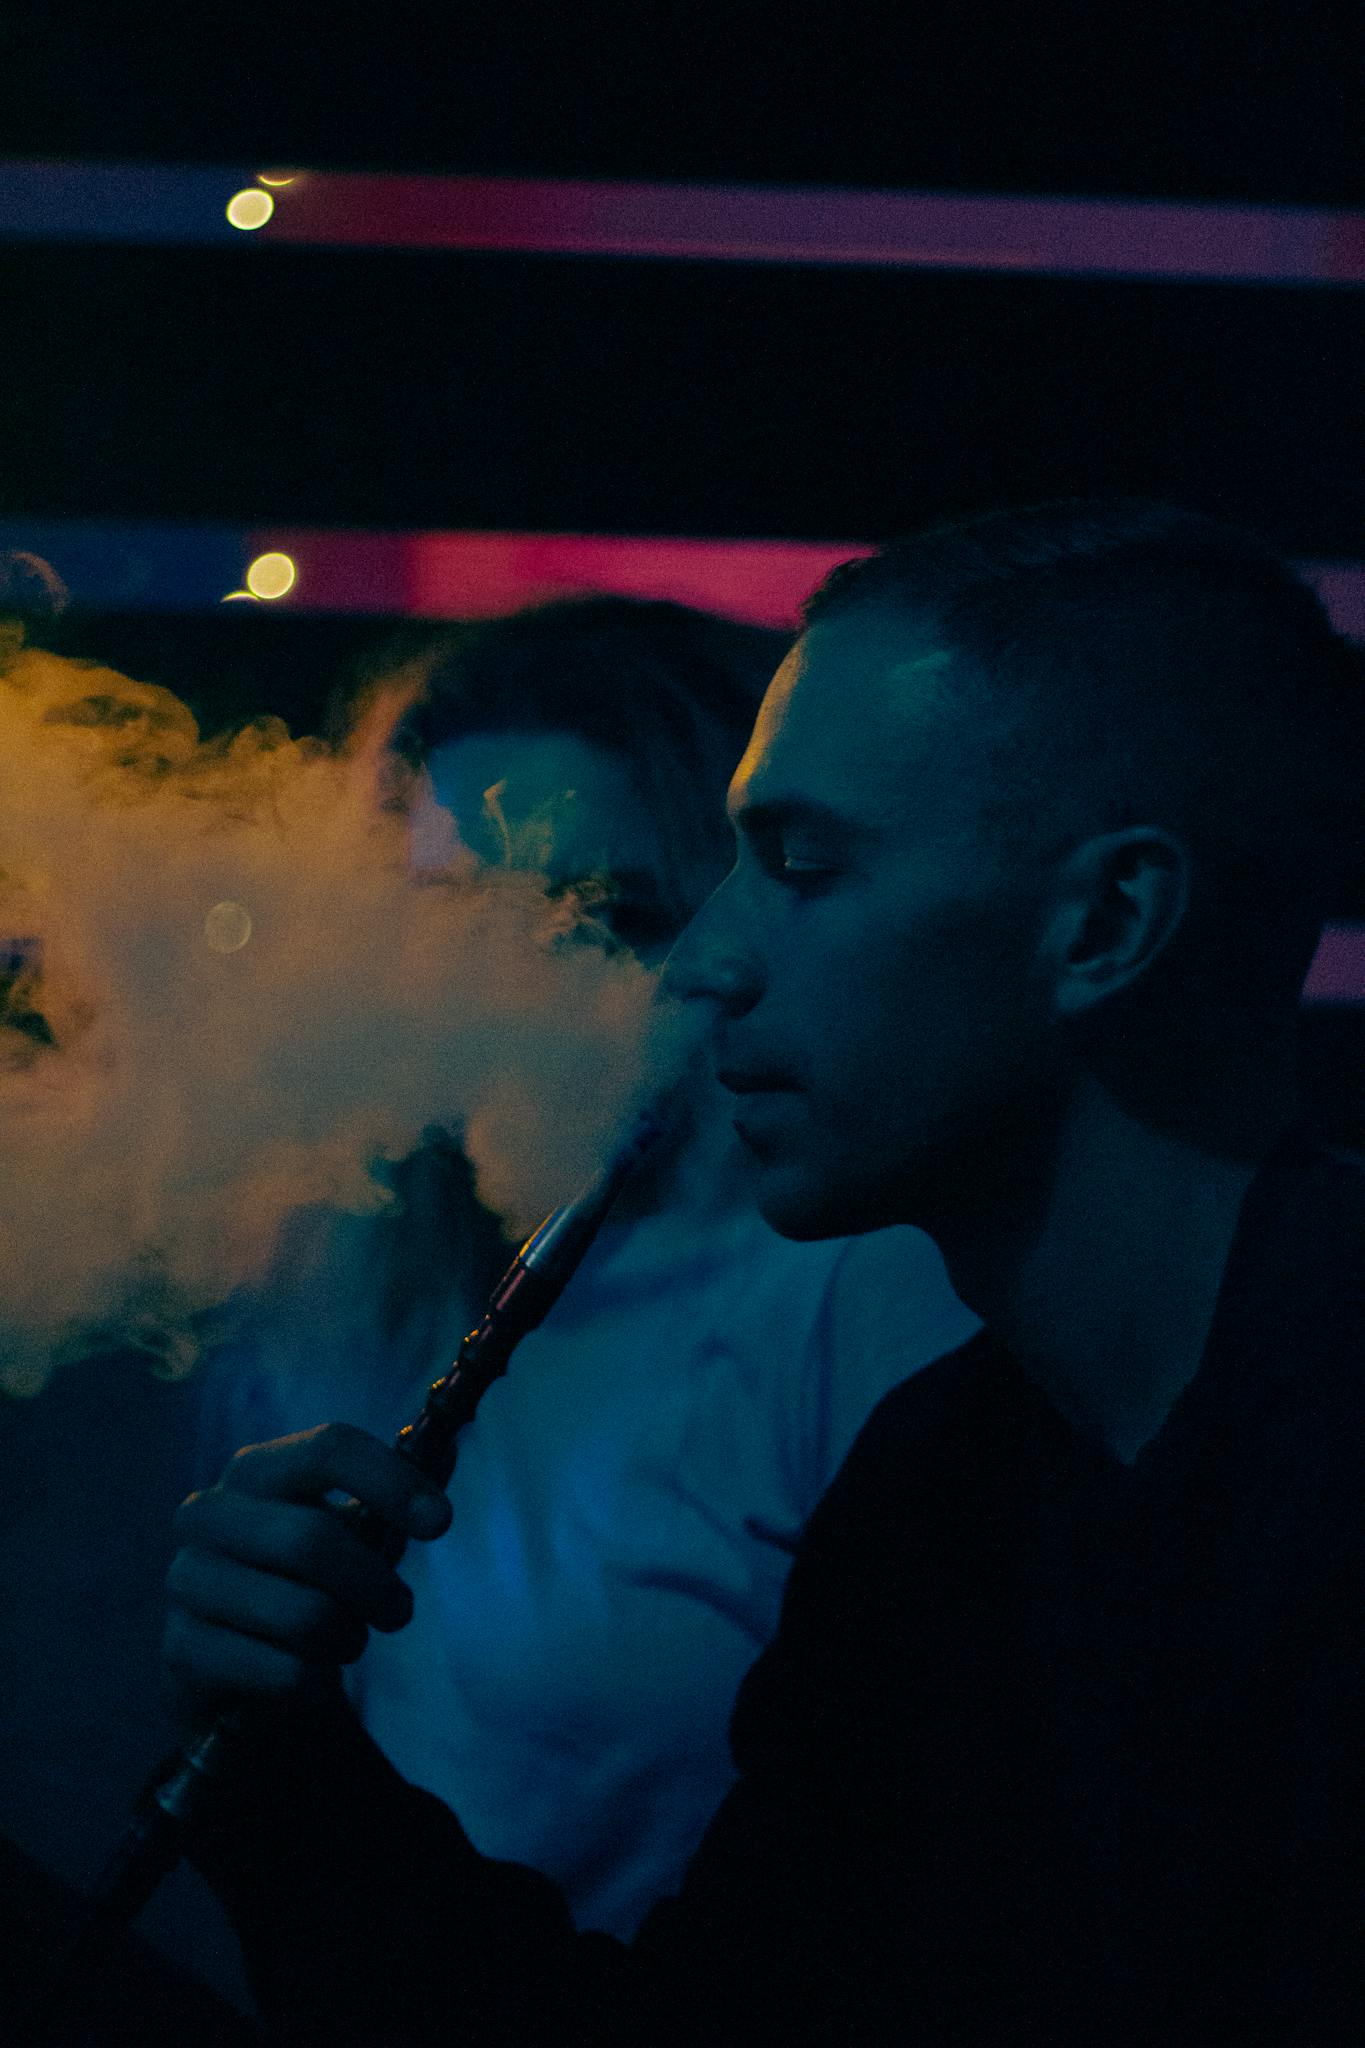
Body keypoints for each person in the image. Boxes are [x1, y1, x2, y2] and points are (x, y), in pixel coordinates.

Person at [162, 504, 1364, 2045]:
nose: (702, 962)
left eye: (798, 865)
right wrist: (282, 1777)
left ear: (1108, 921)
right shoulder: (937, 1495)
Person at [192, 594, 978, 1941]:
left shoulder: (862, 1298)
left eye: (607, 916)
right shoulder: (370, 1280)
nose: (514, 998)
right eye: (453, 931)